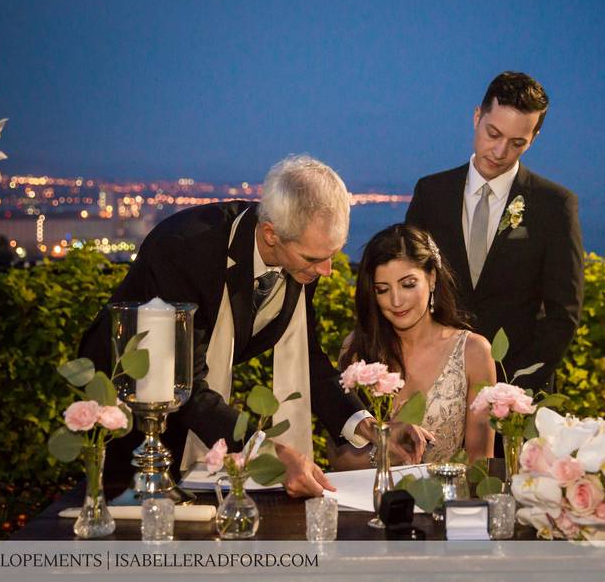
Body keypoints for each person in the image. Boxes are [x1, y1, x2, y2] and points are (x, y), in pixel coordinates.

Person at [79, 155, 428, 497]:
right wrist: (268, 451)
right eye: (314, 259)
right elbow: (183, 384)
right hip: (126, 403)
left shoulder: (302, 254)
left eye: (332, 255)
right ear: (271, 234)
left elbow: (308, 358)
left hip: (187, 395)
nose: (326, 271)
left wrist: (369, 426)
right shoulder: (184, 250)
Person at [405, 71, 584, 394]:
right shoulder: (431, 193)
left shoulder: (555, 205)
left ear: (534, 138)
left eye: (517, 143)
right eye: (493, 133)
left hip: (517, 391)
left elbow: (564, 314)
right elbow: (406, 283)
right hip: (434, 385)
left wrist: (513, 389)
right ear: (477, 116)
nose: (500, 152)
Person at [329, 224, 496, 470]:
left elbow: (480, 463)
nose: (396, 301)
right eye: (383, 290)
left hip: (443, 502)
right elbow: (337, 457)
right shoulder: (357, 348)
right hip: (368, 502)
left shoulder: (473, 352)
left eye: (408, 284)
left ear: (431, 278)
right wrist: (385, 454)